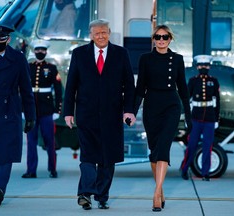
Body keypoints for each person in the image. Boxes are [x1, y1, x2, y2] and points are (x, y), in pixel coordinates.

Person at [63, 19, 136, 210]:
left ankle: (102, 195)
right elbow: (71, 85)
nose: (101, 36)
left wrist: (129, 110)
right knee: (87, 155)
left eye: (104, 32)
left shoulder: (121, 54)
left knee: (107, 157)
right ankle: (85, 193)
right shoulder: (79, 54)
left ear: (109, 33)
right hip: (86, 114)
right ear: (91, 35)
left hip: (112, 114)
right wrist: (68, 112)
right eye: (97, 33)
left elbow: (129, 85)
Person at [134, 25, 192, 212]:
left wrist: (189, 115)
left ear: (170, 39)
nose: (161, 40)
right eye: (158, 37)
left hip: (171, 107)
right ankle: (162, 190)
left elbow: (183, 88)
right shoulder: (145, 59)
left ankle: (157, 194)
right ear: (153, 38)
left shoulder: (177, 59)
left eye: (165, 37)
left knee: (163, 148)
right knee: (154, 151)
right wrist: (132, 112)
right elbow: (140, 88)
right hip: (151, 107)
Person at [0, 23, 36, 207]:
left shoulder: (17, 59)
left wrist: (30, 115)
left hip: (9, 110)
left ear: (8, 40)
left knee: (6, 153)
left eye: (2, 39)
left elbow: (26, 89)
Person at [21, 40, 62, 179]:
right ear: (34, 51)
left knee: (49, 140)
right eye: (37, 50)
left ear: (46, 51)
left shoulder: (51, 68)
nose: (40, 52)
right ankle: (31, 170)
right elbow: (22, 89)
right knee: (31, 141)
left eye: (42, 50)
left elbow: (58, 90)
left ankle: (52, 169)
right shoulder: (28, 67)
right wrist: (22, 109)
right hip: (31, 110)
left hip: (46, 109)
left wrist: (57, 111)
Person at [180, 55, 220, 181]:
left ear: (209, 66)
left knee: (207, 146)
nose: (203, 67)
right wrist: (187, 118)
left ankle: (205, 173)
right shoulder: (193, 81)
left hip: (209, 118)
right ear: (197, 66)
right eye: (201, 65)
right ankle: (185, 169)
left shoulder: (213, 81)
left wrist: (216, 119)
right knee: (191, 146)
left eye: (206, 65)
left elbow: (217, 101)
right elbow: (186, 100)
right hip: (195, 118)